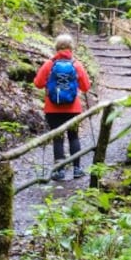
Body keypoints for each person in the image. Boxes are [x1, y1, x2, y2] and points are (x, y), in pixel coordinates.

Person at [33, 33, 92, 181]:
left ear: (56, 47)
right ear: (71, 47)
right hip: (73, 109)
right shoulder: (76, 64)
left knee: (57, 138)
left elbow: (38, 84)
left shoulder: (50, 64)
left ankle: (59, 171)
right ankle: (77, 169)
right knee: (73, 136)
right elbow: (86, 87)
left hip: (52, 109)